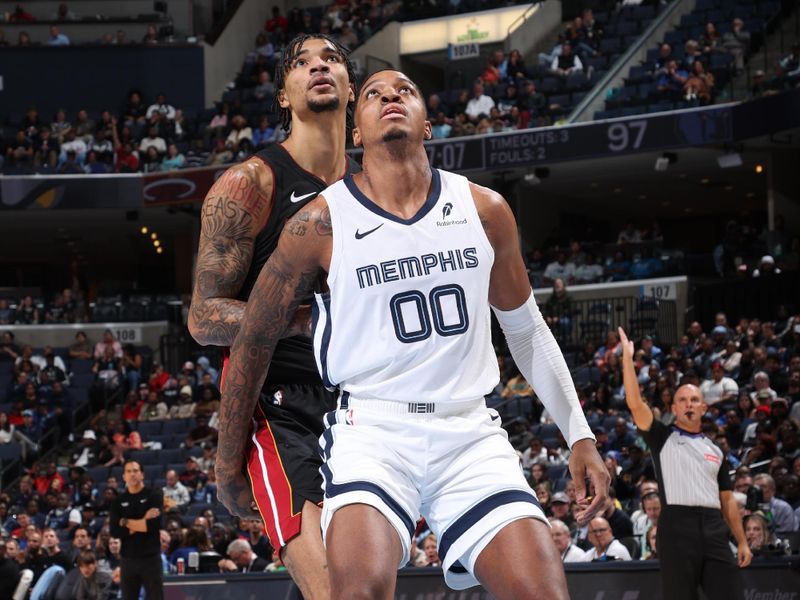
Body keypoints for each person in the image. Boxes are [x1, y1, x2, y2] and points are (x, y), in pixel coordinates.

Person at [217, 68, 608, 599]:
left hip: (469, 432)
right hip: (373, 431)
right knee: (355, 594)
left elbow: (528, 331)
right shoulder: (319, 223)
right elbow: (253, 341)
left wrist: (579, 433)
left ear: (428, 125)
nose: (390, 98)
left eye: (405, 91)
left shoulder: (485, 209)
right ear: (357, 133)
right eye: (374, 94)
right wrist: (226, 464)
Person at [188, 33, 359, 600]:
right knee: (335, 589)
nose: (319, 66)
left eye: (332, 58)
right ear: (283, 94)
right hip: (281, 406)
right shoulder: (249, 184)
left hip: (364, 404)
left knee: (360, 583)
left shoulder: (373, 189)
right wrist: (302, 319)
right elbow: (205, 317)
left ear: (351, 86)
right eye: (302, 62)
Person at [618, 327, 751, 600]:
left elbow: (727, 500)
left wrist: (742, 541)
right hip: (677, 527)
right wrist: (627, 361)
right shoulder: (661, 437)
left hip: (714, 527)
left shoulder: (715, 449)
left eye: (694, 399)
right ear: (674, 408)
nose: (688, 404)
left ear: (704, 407)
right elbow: (634, 403)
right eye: (682, 400)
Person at [109, 460, 163, 600]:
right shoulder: (118, 501)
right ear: (123, 476)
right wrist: (143, 520)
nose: (132, 474)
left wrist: (125, 522)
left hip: (151, 559)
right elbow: (115, 531)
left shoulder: (154, 495)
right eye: (128, 471)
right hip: (128, 560)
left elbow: (153, 525)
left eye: (135, 471)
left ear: (142, 474)